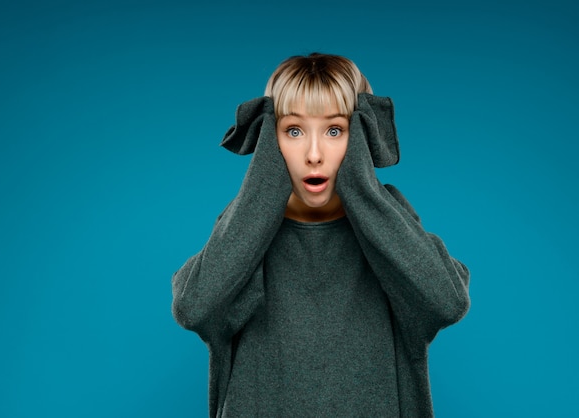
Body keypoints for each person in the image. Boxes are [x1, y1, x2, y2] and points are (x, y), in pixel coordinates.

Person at [171, 52, 470, 417]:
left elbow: (446, 302)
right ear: (270, 139)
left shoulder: (388, 219)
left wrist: (362, 189)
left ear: (361, 135)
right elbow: (194, 309)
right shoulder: (246, 226)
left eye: (335, 130)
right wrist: (263, 188)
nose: (314, 154)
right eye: (293, 131)